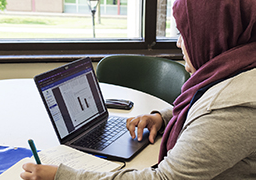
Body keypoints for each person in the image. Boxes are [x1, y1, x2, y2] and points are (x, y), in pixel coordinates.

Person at [20, 0, 256, 179]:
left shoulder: (234, 108)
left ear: (212, 36)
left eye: (184, 34)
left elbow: (163, 178)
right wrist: (161, 119)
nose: (178, 43)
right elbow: (201, 106)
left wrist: (61, 175)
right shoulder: (236, 68)